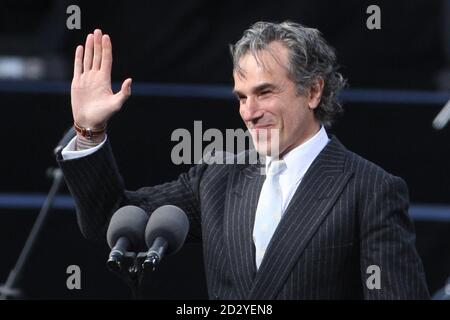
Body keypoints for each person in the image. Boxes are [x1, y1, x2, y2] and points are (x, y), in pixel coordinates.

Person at [57, 21, 430, 299]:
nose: (249, 112)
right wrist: (90, 131)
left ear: (314, 91)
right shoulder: (218, 178)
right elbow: (112, 219)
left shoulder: (370, 189)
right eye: (241, 97)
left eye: (265, 92)